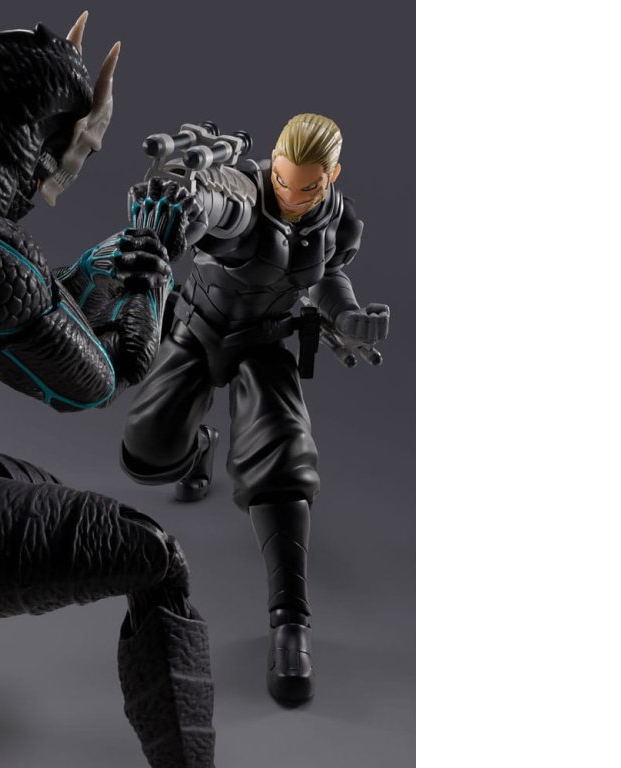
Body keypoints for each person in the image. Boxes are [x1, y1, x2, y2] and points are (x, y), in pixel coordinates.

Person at [0, 15, 213, 767]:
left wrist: (89, 274)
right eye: (76, 150)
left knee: (32, 489)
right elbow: (97, 381)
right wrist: (153, 267)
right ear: (34, 143)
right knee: (153, 559)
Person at [121, 113, 390, 704]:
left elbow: (327, 278)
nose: (290, 196)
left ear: (332, 176)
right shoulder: (247, 194)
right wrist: (191, 196)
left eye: (307, 186)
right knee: (145, 452)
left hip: (263, 344)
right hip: (198, 331)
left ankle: (290, 622)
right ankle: (198, 447)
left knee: (284, 461)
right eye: (283, 181)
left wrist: (347, 318)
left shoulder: (338, 220)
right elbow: (226, 210)